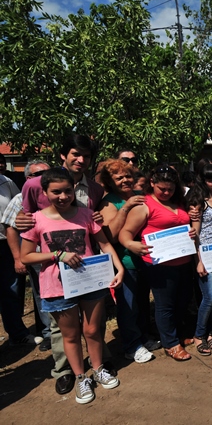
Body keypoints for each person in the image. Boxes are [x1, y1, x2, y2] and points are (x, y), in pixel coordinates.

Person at [21, 168, 124, 404]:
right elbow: (26, 256)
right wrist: (58, 254)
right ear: (45, 192)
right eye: (56, 192)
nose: (63, 196)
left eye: (67, 191)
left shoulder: (87, 214)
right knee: (71, 335)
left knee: (92, 330)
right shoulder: (36, 219)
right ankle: (80, 377)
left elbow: (104, 244)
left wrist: (119, 268)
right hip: (57, 287)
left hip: (91, 281)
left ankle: (97, 369)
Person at [119, 165, 196, 362]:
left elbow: (185, 224)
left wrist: (192, 232)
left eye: (170, 188)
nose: (166, 192)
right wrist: (131, 244)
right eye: (162, 188)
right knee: (165, 305)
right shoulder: (144, 205)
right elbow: (125, 233)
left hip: (184, 260)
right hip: (159, 264)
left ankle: (176, 333)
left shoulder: (177, 202)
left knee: (181, 301)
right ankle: (170, 343)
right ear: (152, 183)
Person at [98, 159, 159, 363]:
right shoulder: (109, 202)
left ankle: (142, 337)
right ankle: (131, 346)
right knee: (127, 306)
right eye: (119, 177)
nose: (125, 180)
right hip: (124, 262)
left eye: (128, 176)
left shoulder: (138, 196)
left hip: (144, 259)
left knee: (142, 303)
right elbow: (111, 236)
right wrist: (125, 207)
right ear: (109, 181)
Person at [1, 160, 51, 350]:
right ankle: (48, 333)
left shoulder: (59, 192)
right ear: (29, 178)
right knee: (41, 295)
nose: (45, 177)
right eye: (39, 174)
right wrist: (17, 258)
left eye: (48, 172)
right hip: (37, 257)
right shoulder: (21, 198)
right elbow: (10, 227)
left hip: (61, 255)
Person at [187, 164, 212, 355]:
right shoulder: (199, 202)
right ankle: (199, 334)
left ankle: (210, 333)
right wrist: (198, 261)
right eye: (210, 179)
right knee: (209, 296)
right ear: (203, 181)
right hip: (204, 254)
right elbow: (194, 234)